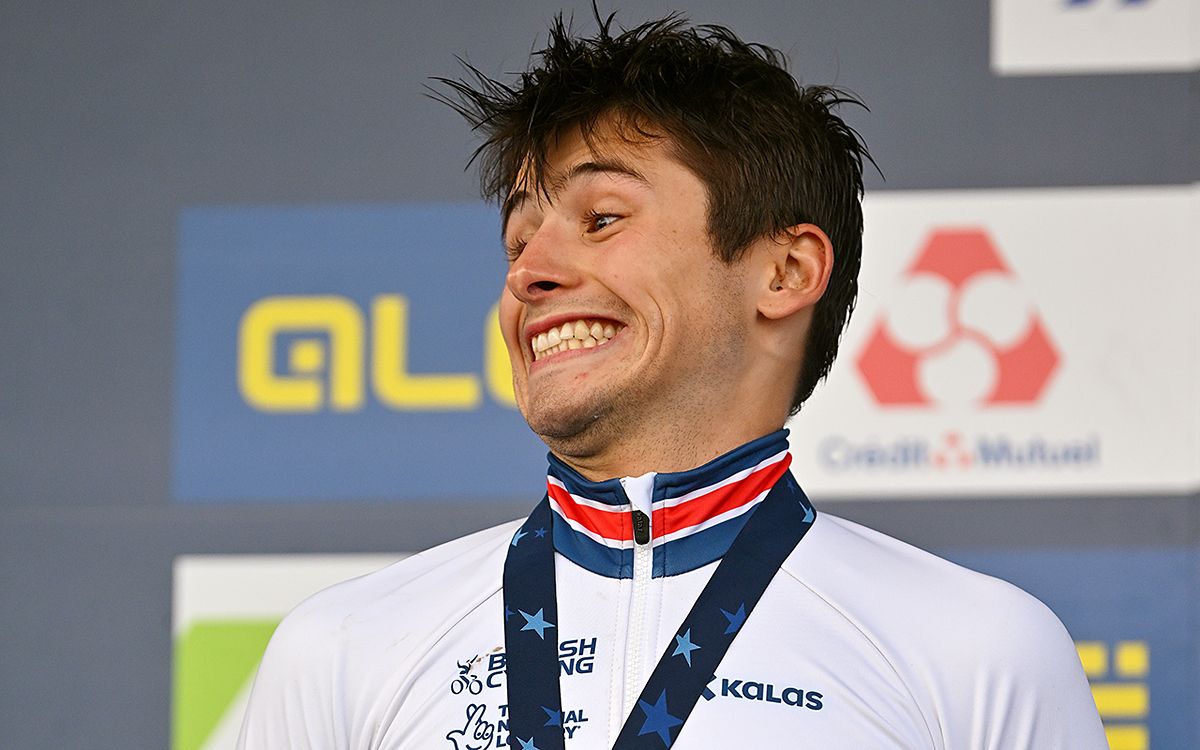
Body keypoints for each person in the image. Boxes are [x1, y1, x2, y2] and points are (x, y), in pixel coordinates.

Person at [237, 13, 1106, 749]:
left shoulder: (980, 650)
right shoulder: (344, 650)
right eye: (518, 240)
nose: (528, 273)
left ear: (785, 271)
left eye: (601, 217)